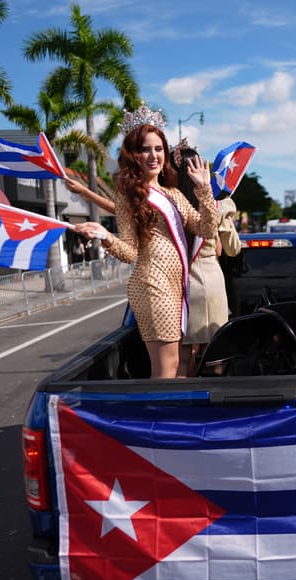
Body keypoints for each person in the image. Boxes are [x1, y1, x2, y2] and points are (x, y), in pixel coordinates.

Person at [69, 105, 218, 379]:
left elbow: (207, 228)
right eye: (145, 150)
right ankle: (158, 420)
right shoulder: (129, 196)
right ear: (133, 155)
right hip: (151, 284)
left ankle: (163, 418)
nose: (153, 156)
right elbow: (128, 252)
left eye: (159, 149)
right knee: (165, 367)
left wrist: (204, 189)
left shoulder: (174, 194)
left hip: (176, 285)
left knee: (173, 366)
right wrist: (105, 236)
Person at [172, 143, 240, 376]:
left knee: (183, 358)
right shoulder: (218, 206)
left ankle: (183, 403)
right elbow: (232, 250)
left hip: (183, 284)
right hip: (211, 281)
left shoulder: (172, 204)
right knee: (214, 356)